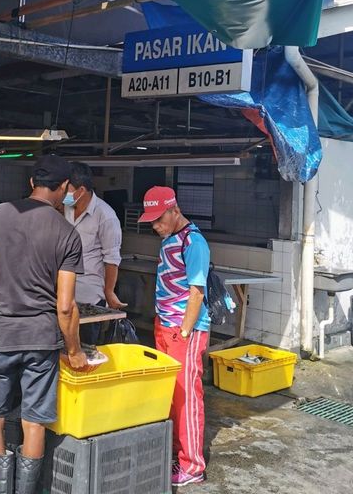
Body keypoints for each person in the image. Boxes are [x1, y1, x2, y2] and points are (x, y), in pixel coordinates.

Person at [0, 154, 88, 494]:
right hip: (40, 339)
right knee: (34, 422)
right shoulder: (67, 234)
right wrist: (75, 351)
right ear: (65, 188)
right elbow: (65, 306)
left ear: (31, 183)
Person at [138, 186, 210, 487]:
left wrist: (184, 330)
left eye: (159, 219)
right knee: (169, 395)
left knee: (186, 398)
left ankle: (192, 466)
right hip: (165, 326)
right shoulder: (170, 239)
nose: (155, 226)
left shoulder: (194, 242)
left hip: (185, 331)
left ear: (174, 209)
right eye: (151, 221)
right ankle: (176, 456)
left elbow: (196, 290)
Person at [63, 161, 124, 344]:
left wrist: (109, 291)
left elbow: (112, 259)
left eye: (67, 188)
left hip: (89, 297)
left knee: (86, 349)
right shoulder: (65, 208)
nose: (64, 192)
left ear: (81, 190)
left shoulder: (106, 216)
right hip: (64, 295)